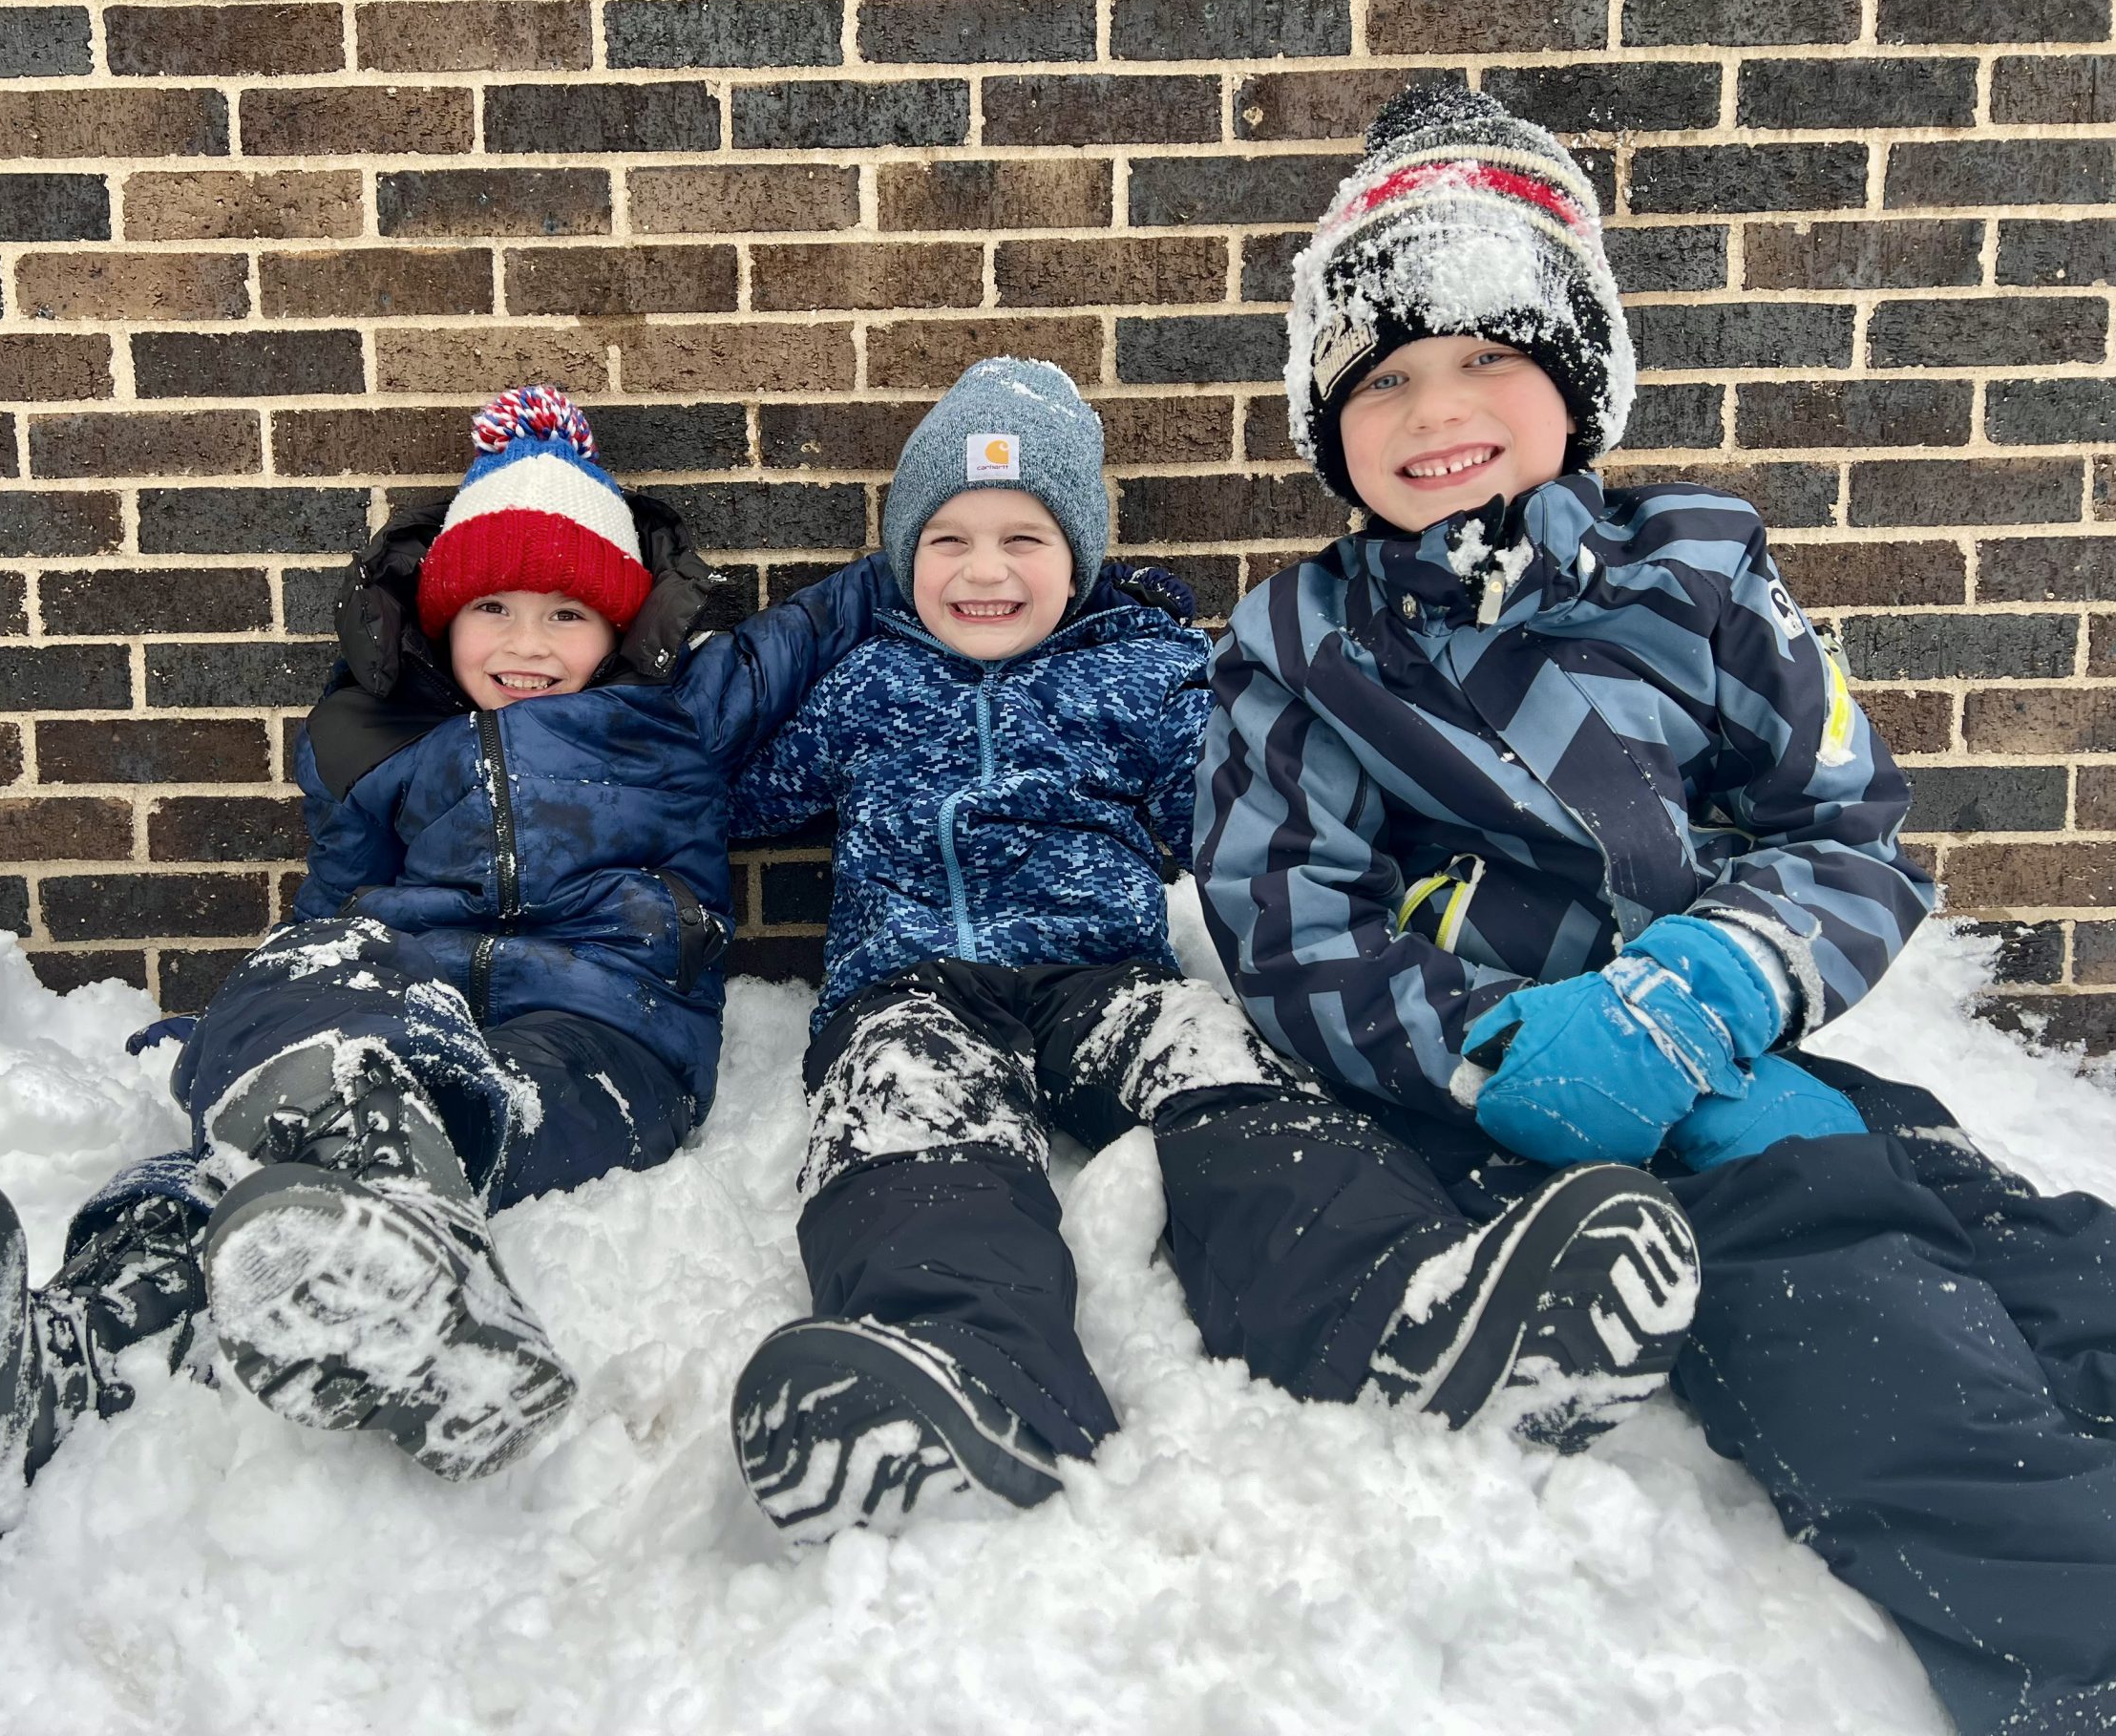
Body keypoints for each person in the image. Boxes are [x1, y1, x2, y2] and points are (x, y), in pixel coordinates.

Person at [1194, 80, 2116, 1736]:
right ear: (1327, 424)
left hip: (1734, 1038)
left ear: (1580, 379)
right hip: (1531, 1106)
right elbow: (1286, 917)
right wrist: (1482, 1050)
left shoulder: (1698, 569)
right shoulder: (1301, 653)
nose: (1437, 409)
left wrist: (1715, 976)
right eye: (1386, 376)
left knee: (2023, 1241)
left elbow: (1846, 819)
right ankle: (2075, 1636)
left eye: (1490, 356)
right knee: (1871, 1317)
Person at [0, 387, 898, 1625]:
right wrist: (250, 1023)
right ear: (444, 618)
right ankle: (48, 1364)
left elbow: (821, 622)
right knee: (296, 1057)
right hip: (406, 1000)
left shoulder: (678, 716)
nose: (524, 640)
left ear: (619, 624)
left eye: (565, 612)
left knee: (409, 1102)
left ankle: (440, 1304)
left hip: (607, 1028)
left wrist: (948, 527)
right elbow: (330, 908)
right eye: (492, 607)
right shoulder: (393, 752)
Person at [723, 356, 1703, 1543]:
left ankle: (1393, 1301)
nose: (984, 572)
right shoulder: (865, 678)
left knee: (1220, 1059)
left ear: (1076, 557)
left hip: (1103, 973)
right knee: (904, 1108)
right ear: (900, 560)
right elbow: (729, 790)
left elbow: (1256, 802)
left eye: (1023, 539)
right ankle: (959, 1363)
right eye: (947, 542)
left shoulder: (1143, 672)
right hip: (908, 982)